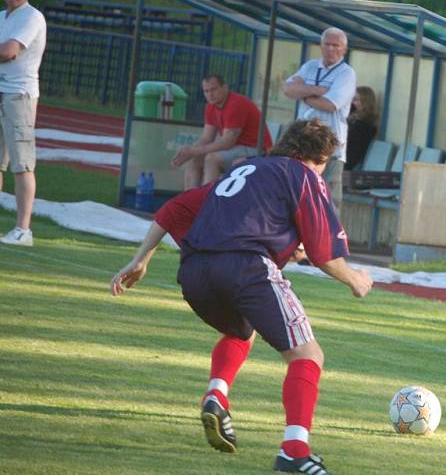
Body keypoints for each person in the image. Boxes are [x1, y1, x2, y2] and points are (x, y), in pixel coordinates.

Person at [112, 119, 373, 475]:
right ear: (319, 158)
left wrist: (140, 259)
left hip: (195, 271)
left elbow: (175, 209)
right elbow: (324, 251)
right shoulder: (304, 174)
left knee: (240, 331)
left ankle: (217, 394)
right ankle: (294, 451)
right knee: (307, 354)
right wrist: (355, 279)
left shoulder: (246, 167)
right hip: (246, 267)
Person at [283, 28, 355, 209]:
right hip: (302, 142)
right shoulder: (310, 67)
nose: (331, 49)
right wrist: (316, 91)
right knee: (299, 196)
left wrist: (303, 94)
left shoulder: (346, 73)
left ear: (344, 49)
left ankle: (332, 237)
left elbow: (330, 104)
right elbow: (287, 89)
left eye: (336, 46)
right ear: (320, 46)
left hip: (331, 147)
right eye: (327, 44)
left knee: (329, 202)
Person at [0, 0, 46, 247]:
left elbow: (9, 51)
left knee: (22, 163)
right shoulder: (2, 17)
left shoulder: (32, 17)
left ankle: (23, 229)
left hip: (19, 95)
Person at [171, 75, 272, 190]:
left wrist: (193, 150)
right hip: (236, 148)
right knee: (195, 158)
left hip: (256, 148)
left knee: (212, 159)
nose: (210, 94)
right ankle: (189, 201)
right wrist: (189, 152)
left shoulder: (236, 104)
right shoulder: (210, 107)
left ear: (225, 87)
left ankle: (209, 201)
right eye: (206, 91)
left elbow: (227, 142)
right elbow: (206, 138)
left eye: (214, 89)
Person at [344, 86, 379, 170]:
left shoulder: (365, 123)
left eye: (356, 100)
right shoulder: (354, 117)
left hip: (351, 161)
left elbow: (353, 144)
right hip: (346, 157)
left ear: (364, 102)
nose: (352, 102)